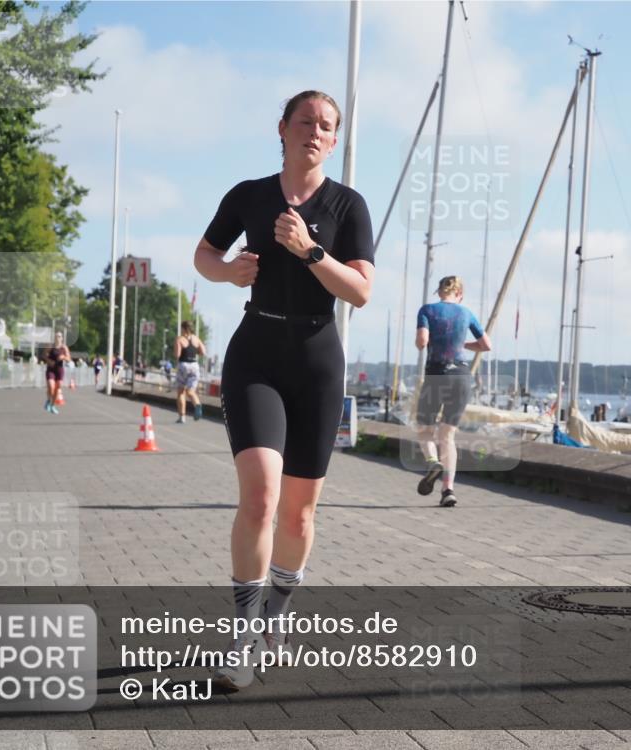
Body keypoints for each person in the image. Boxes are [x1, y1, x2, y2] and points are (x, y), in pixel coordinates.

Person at [193, 90, 375, 690]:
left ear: (334, 139)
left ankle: (279, 611)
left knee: (298, 515)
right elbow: (205, 253)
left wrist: (310, 250)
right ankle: (243, 635)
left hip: (318, 361)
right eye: (306, 121)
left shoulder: (348, 205)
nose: (315, 132)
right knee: (262, 497)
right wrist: (227, 271)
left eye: (327, 126)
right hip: (256, 355)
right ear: (283, 128)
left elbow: (360, 291)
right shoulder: (249, 195)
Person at [414, 276, 491, 508]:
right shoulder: (466, 313)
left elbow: (422, 341)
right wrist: (463, 345)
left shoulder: (427, 310)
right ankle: (448, 490)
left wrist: (423, 342)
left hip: (437, 375)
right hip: (461, 377)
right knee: (448, 436)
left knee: (425, 430)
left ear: (440, 292)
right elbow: (486, 345)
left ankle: (432, 461)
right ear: (460, 294)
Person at [174, 321, 206, 423]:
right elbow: (203, 352)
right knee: (190, 391)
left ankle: (182, 417)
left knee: (181, 392)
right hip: (194, 366)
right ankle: (197, 404)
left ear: (183, 328)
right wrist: (194, 351)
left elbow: (177, 354)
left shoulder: (180, 339)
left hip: (183, 365)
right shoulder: (196, 339)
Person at [43, 331, 71, 414]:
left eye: (59, 336)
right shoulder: (50, 346)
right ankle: (48, 400)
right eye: (56, 336)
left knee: (57, 388)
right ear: (54, 338)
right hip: (51, 369)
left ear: (62, 338)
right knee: (51, 387)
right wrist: (49, 360)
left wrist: (63, 357)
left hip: (59, 369)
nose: (58, 338)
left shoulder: (64, 347)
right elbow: (44, 355)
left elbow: (69, 358)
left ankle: (52, 405)